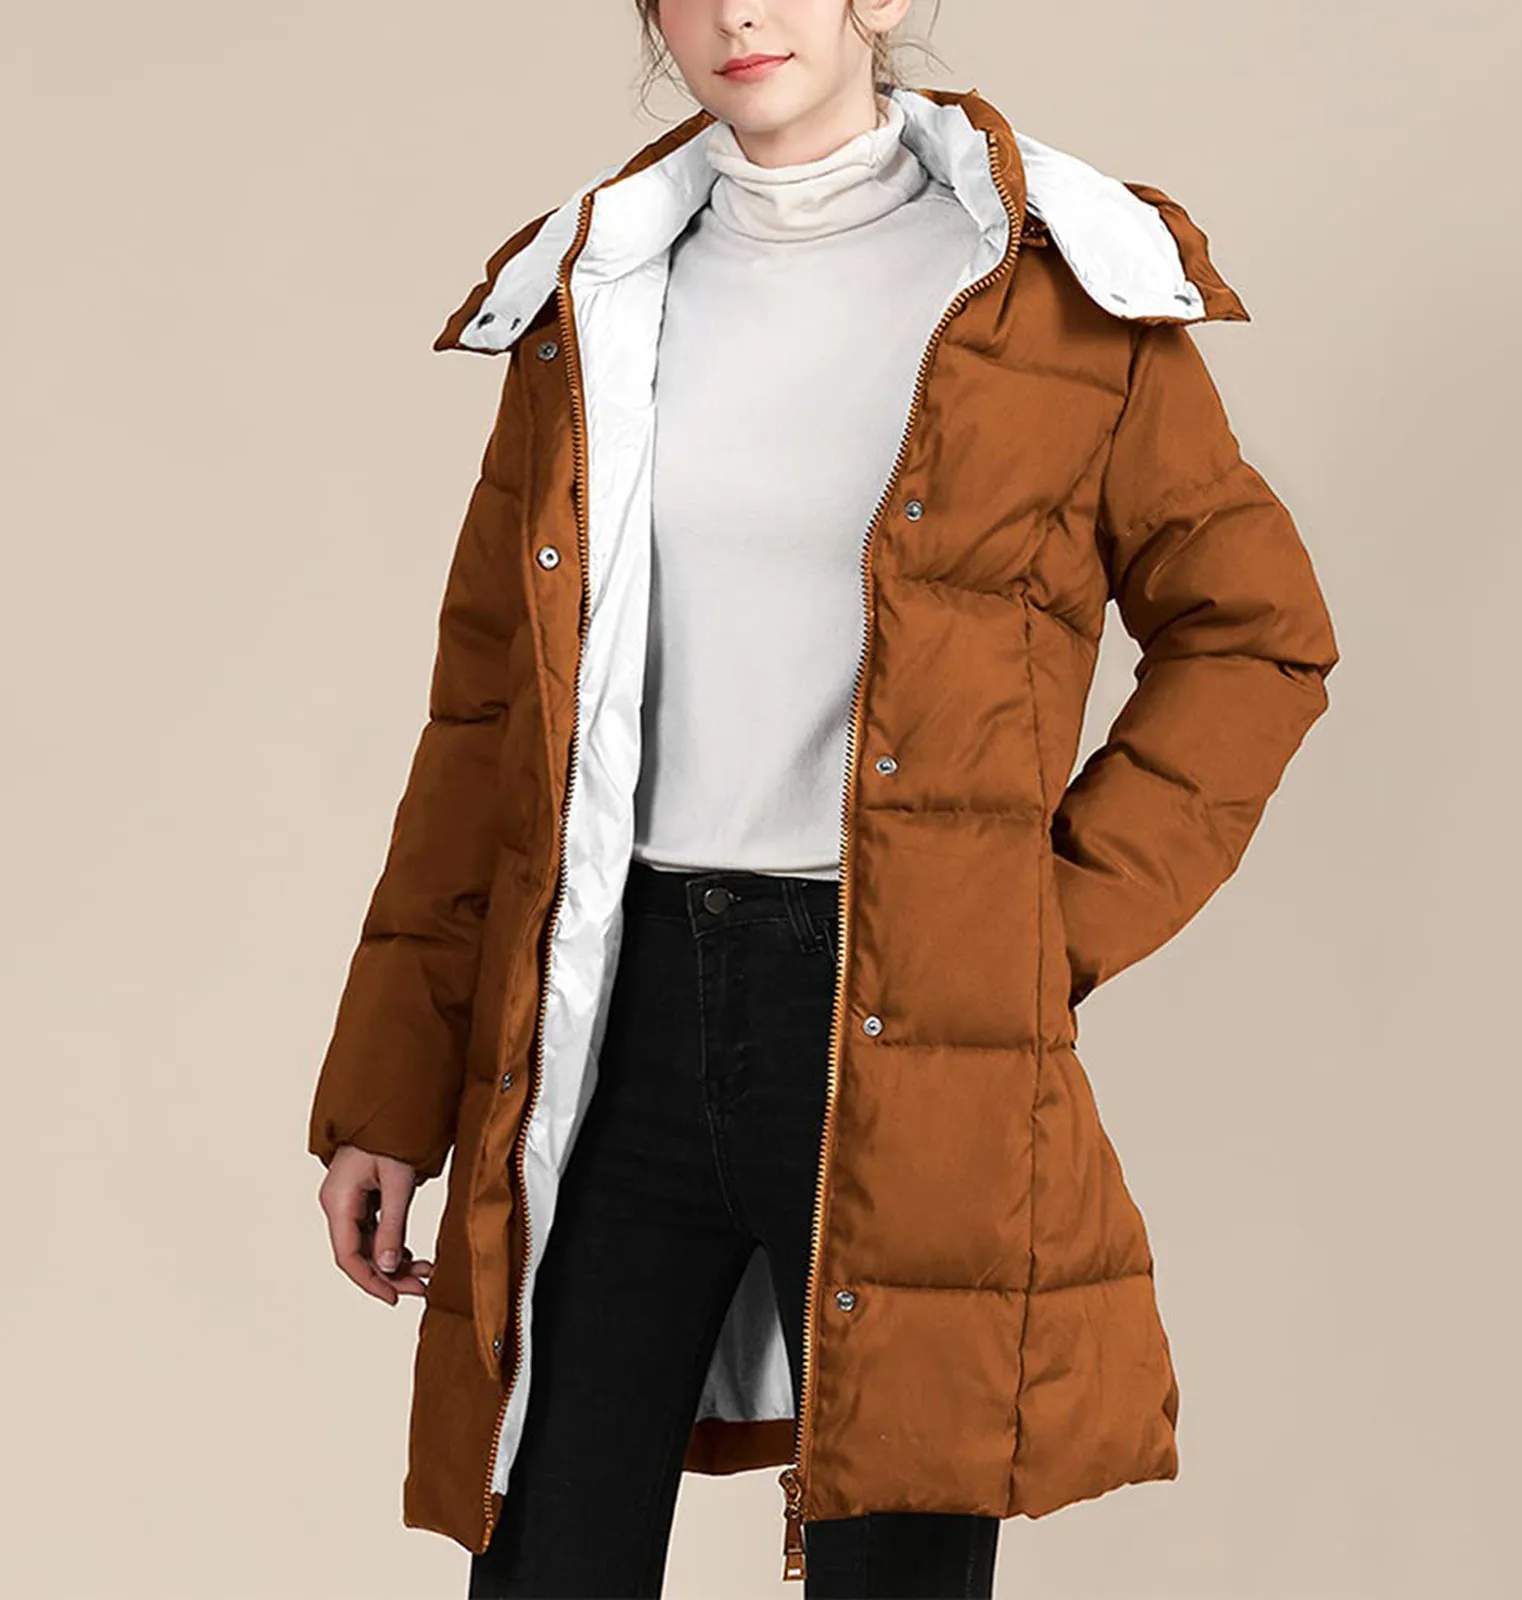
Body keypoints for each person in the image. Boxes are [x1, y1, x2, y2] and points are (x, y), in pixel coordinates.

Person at [308, 2, 1340, 1596]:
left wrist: (1041, 926)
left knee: (895, 1571)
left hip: (898, 1013)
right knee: (545, 1550)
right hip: (611, 1009)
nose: (739, 12)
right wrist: (390, 1090)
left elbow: (1255, 638)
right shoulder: (596, 292)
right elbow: (491, 722)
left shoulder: (1060, 290)